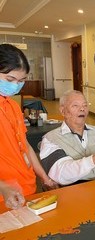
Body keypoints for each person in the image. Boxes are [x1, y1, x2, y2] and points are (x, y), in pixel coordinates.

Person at [0, 43, 58, 202]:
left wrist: (44, 178)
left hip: (26, 186)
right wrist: (3, 187)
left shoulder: (11, 105)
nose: (15, 86)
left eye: (21, 80)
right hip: (5, 195)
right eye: (10, 79)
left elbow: (25, 146)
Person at [40, 90, 95, 186]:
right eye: (75, 106)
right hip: (73, 190)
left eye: (85, 105)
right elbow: (60, 174)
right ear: (62, 111)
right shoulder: (51, 139)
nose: (82, 109)